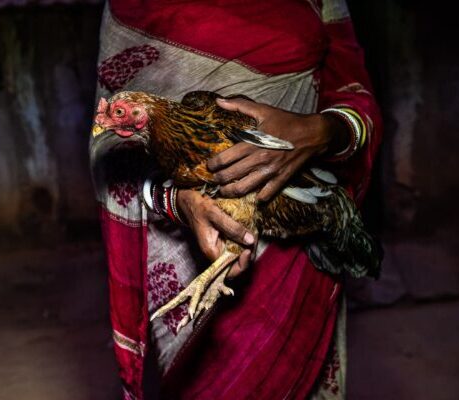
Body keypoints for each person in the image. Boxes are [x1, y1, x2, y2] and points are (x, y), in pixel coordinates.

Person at [90, 1, 382, 399]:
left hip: (297, 229)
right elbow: (112, 153)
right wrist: (180, 200)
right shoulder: (135, 7)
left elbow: (355, 93)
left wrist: (318, 130)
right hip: (186, 245)